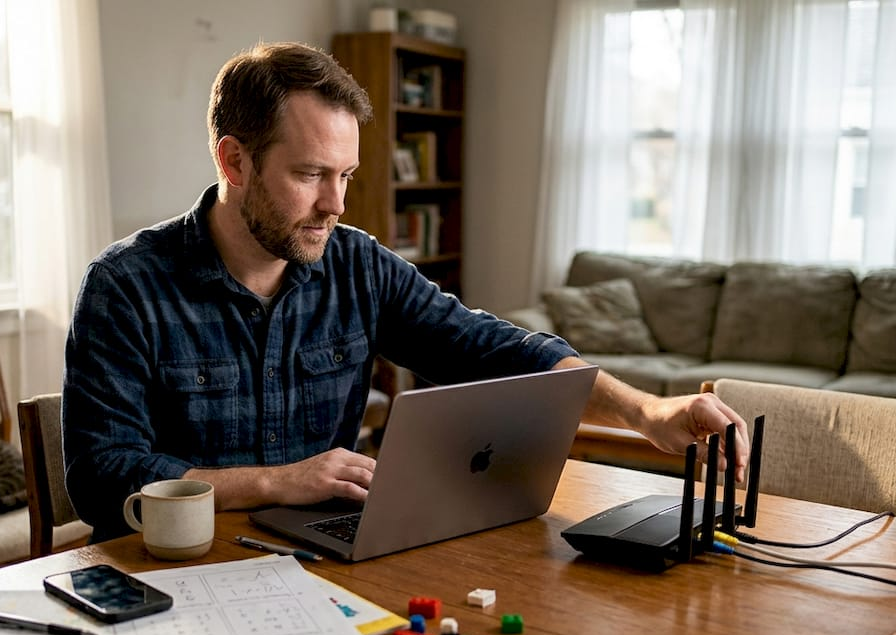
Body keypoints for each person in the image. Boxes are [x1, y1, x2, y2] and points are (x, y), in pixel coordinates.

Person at [63, 41, 748, 543]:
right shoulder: (125, 286)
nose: (335, 204)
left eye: (346, 176)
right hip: (171, 574)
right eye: (310, 174)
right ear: (234, 160)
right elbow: (101, 478)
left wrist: (646, 410)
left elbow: (494, 348)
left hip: (317, 562)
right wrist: (275, 481)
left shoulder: (359, 265)